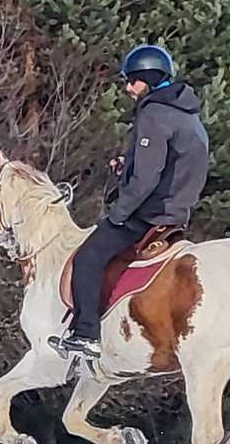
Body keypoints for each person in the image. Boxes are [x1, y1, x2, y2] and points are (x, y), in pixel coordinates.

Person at [50, 43, 209, 360]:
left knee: (88, 258)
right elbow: (172, 164)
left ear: (148, 78)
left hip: (149, 214)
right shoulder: (188, 117)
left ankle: (85, 334)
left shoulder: (154, 113)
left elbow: (147, 179)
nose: (128, 88)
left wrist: (119, 214)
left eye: (133, 81)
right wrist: (129, 164)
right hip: (176, 213)